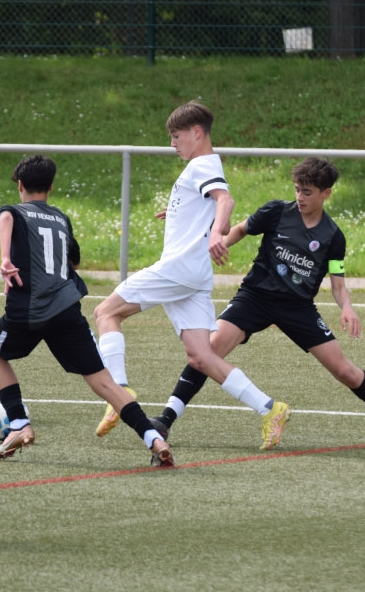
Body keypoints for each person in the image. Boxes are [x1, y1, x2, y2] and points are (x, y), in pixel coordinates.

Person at [149, 157, 365, 447]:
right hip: (255, 297)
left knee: (344, 371)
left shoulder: (333, 237)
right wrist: (209, 242)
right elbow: (240, 229)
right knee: (207, 351)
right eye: (297, 189)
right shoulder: (275, 211)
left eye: (307, 192)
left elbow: (338, 284)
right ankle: (166, 419)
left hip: (298, 308)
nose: (300, 197)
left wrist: (347, 307)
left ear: (326, 193)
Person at [92, 101, 292, 451]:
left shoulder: (202, 164)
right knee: (202, 357)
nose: (173, 144)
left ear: (196, 132)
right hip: (194, 275)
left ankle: (119, 392)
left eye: (176, 136)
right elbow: (212, 206)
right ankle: (271, 409)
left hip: (179, 268)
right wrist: (179, 212)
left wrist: (215, 234)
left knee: (105, 312)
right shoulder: (207, 165)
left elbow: (225, 201)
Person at [0, 154, 173, 466]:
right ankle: (154, 439)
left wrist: (6, 258)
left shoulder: (13, 211)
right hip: (67, 310)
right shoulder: (61, 219)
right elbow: (73, 261)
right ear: (51, 187)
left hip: (29, 310)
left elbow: (5, 218)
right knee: (104, 382)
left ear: (20, 185)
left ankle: (19, 424)